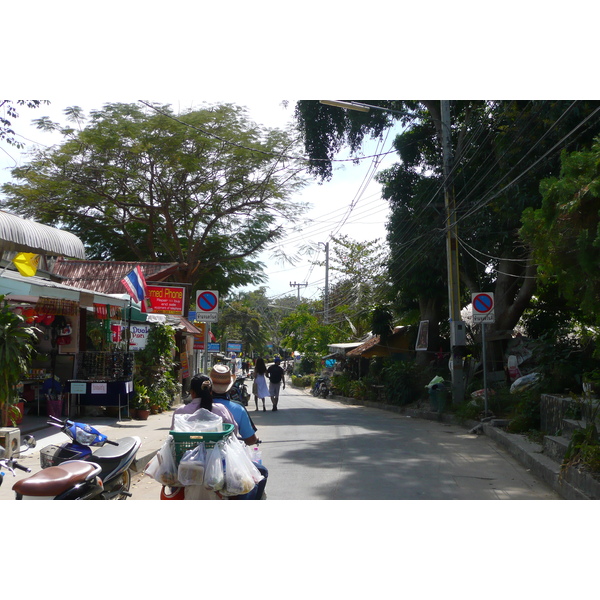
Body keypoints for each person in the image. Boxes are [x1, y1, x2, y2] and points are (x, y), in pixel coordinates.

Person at [171, 374, 238, 436]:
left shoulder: (179, 412)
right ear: (211, 392)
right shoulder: (220, 409)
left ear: (192, 392)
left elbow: (173, 435)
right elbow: (233, 428)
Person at [209, 364, 259, 445]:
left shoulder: (196, 405)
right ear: (230, 387)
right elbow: (250, 440)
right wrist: (256, 440)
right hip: (229, 453)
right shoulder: (238, 408)